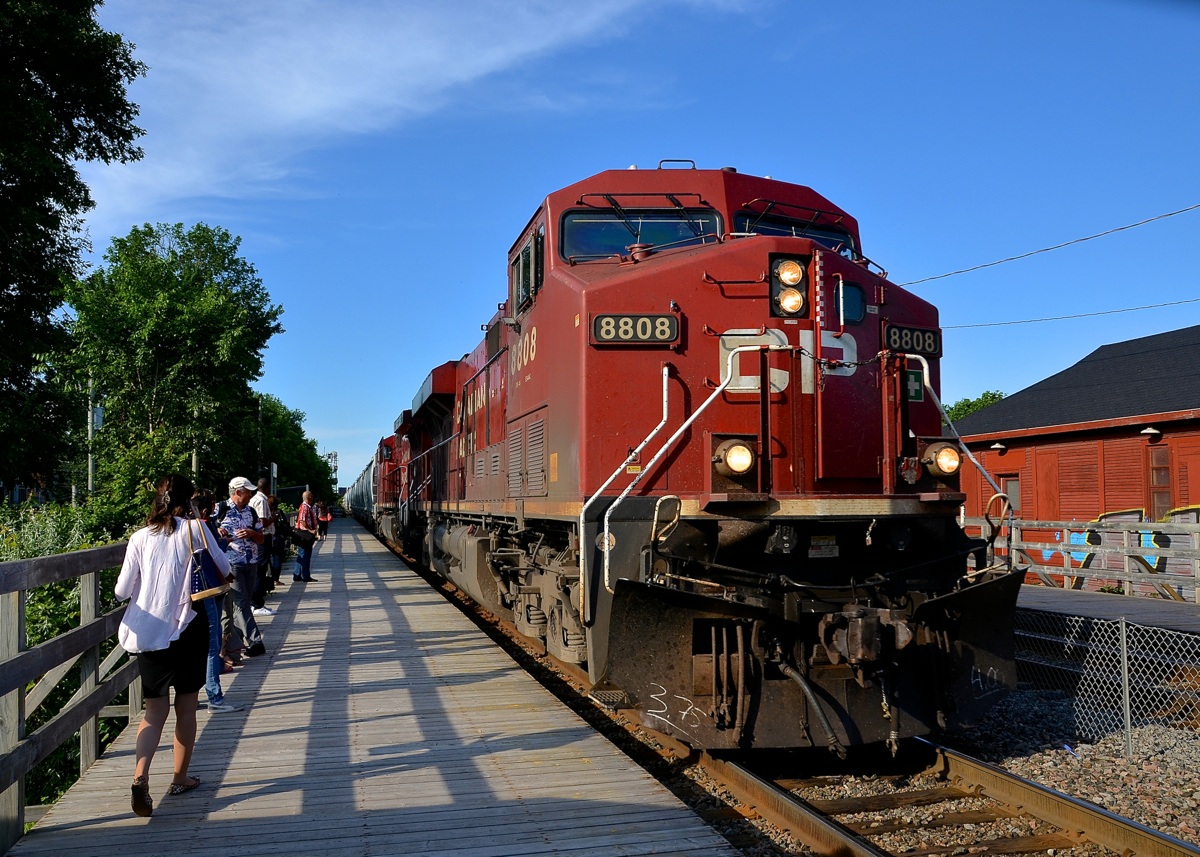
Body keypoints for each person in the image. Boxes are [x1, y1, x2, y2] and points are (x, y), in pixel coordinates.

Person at [116, 474, 231, 817]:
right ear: (187, 500)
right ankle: (180, 777)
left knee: (153, 712)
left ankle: (140, 776)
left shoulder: (138, 537)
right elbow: (223, 568)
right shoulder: (194, 529)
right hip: (189, 626)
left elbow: (122, 590)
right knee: (186, 706)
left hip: (149, 632)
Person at [191, 491, 243, 714]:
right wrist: (225, 541)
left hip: (190, 593)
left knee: (193, 645)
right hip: (210, 589)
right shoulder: (202, 525)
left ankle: (190, 697)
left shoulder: (176, 527)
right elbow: (218, 555)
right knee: (212, 644)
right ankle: (215, 696)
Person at [216, 477, 267, 657]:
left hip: (251, 562)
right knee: (241, 603)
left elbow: (261, 538)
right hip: (231, 563)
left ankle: (233, 647)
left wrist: (252, 533)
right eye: (248, 491)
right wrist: (218, 532)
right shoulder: (219, 510)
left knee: (243, 603)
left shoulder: (251, 512)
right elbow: (205, 531)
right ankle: (255, 641)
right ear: (238, 492)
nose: (251, 494)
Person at [249, 477, 277, 616]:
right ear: (268, 488)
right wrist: (274, 518)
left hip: (259, 538)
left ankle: (256, 602)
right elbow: (262, 522)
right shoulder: (261, 501)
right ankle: (257, 604)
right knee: (261, 569)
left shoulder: (253, 499)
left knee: (259, 568)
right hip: (263, 537)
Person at [293, 490, 319, 582]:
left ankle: (297, 575)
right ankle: (305, 576)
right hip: (305, 535)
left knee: (301, 554)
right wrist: (310, 530)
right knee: (305, 555)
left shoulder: (306, 507)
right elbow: (302, 520)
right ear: (310, 498)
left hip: (304, 534)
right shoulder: (305, 507)